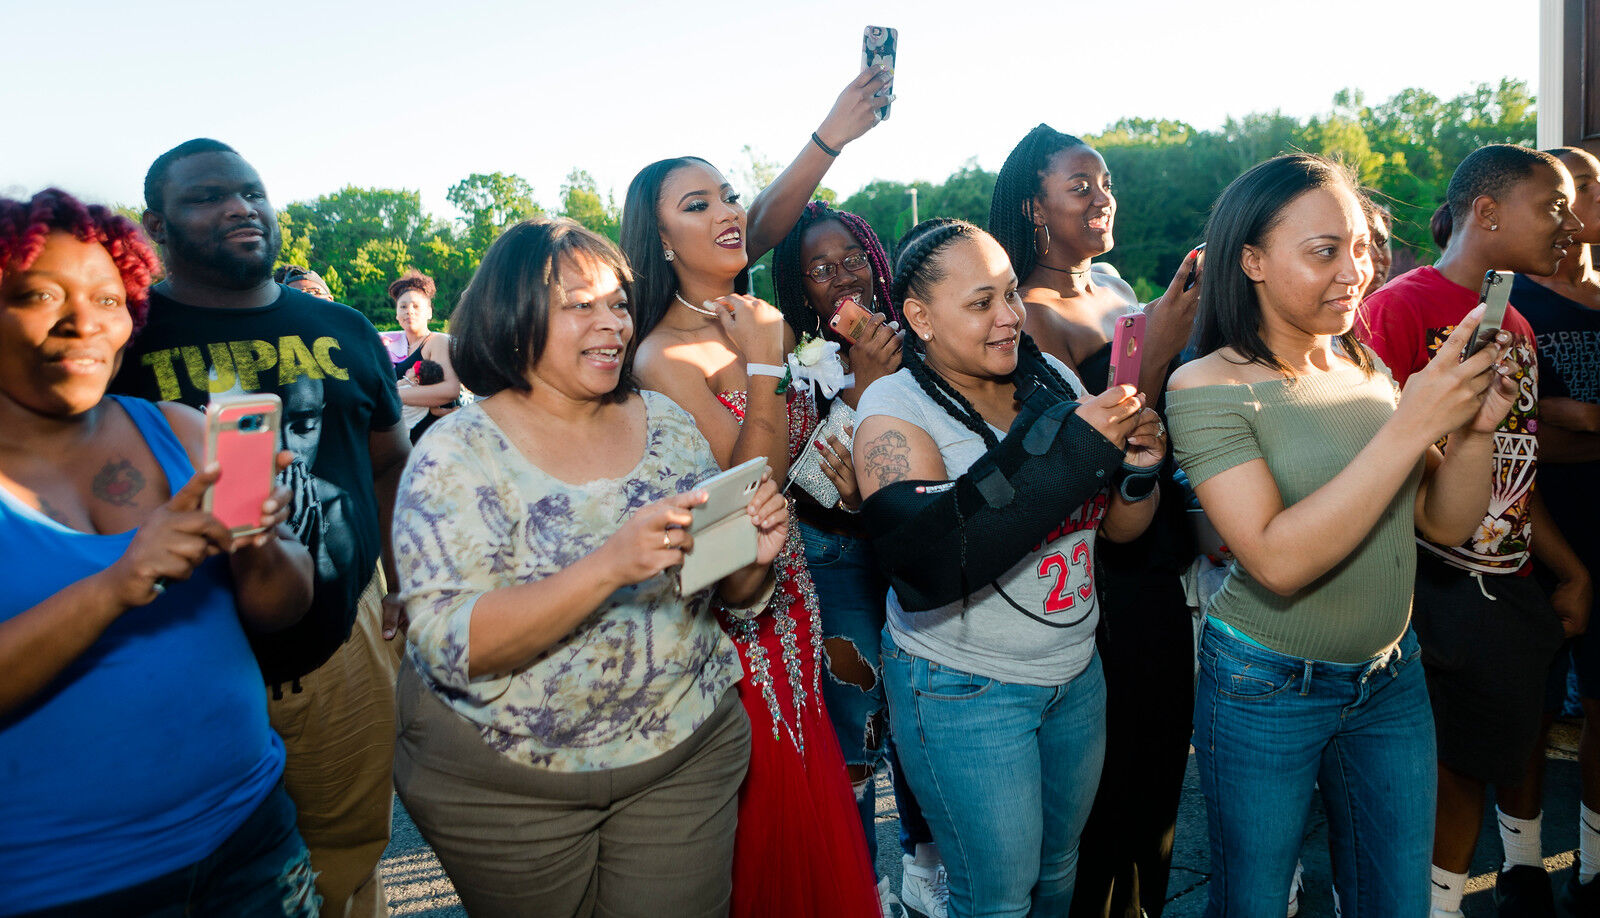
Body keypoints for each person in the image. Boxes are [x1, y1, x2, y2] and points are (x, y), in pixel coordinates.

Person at [390, 218, 788, 917]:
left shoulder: (666, 422)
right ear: (515, 315)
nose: (613, 324)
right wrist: (608, 566)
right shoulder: (457, 451)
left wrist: (751, 559)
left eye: (619, 304)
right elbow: (453, 643)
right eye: (581, 305)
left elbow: (729, 590)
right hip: (508, 789)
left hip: (682, 755)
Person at [1166, 152, 1519, 915]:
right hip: (1266, 685)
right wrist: (1412, 424)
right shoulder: (1206, 384)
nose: (1354, 271)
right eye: (1325, 251)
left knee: (1395, 901)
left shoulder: (1364, 366)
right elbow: (1276, 560)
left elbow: (1445, 521)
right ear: (1252, 261)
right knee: (1255, 901)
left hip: (1390, 676)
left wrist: (1477, 429)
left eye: (1360, 247)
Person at [111, 138, 411, 918]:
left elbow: (388, 462)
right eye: (208, 196)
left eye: (251, 192)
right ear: (156, 225)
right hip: (179, 654)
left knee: (348, 860)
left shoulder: (342, 327)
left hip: (340, 646)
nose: (240, 208)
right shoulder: (121, 338)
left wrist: (402, 585)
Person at [619, 64, 891, 918]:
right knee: (771, 830)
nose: (728, 211)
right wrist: (769, 368)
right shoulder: (664, 356)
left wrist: (834, 133)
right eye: (696, 205)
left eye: (729, 195)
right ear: (661, 241)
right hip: (744, 621)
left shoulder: (745, 315)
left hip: (801, 597)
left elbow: (772, 214)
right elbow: (748, 499)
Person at [0, 188, 318, 915]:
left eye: (109, 300)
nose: (84, 323)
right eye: (41, 294)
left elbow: (282, 609)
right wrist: (115, 584)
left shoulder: (180, 431)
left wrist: (256, 546)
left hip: (252, 844)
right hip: (58, 889)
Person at [855, 218, 1166, 917]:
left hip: (1074, 675)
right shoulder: (895, 410)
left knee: (1057, 875)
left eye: (1011, 294)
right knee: (996, 900)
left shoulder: (1051, 377)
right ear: (920, 318)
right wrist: (1074, 456)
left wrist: (1137, 472)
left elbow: (1117, 530)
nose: (1009, 317)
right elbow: (929, 562)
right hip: (966, 688)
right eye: (980, 303)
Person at [1356, 144, 1589, 918]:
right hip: (1428, 586)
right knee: (1443, 770)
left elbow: (1514, 474)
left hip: (1507, 584)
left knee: (1494, 754)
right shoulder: (1399, 308)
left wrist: (1568, 569)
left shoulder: (1516, 322)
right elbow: (1374, 457)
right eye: (1552, 206)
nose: (1569, 223)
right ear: (1485, 213)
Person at [987, 122, 1202, 918]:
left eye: (1105, 182)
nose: (1102, 196)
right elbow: (1068, 451)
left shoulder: (1113, 285)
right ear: (1034, 208)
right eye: (1079, 186)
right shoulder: (1023, 316)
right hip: (1094, 565)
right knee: (1107, 782)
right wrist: (1158, 348)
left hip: (1157, 545)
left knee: (1161, 761)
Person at [770, 200, 948, 916]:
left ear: (875, 261)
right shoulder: (796, 368)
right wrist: (868, 383)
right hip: (837, 556)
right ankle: (863, 886)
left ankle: (927, 867)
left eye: (851, 258)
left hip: (913, 552)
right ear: (800, 289)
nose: (842, 276)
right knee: (858, 715)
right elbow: (812, 486)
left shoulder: (920, 339)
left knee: (919, 715)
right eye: (820, 269)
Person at [1506, 145, 1600, 912]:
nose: (1584, 205)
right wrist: (1558, 418)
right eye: (1576, 190)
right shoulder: (1509, 301)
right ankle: (1522, 867)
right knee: (1527, 712)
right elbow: (1509, 441)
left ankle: (1595, 865)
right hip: (1532, 529)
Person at [389, 270, 461, 442]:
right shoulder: (391, 346)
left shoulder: (437, 341)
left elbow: (451, 390)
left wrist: (390, 395)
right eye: (403, 307)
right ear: (397, 314)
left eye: (416, 306)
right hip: (401, 442)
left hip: (435, 440)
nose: (409, 311)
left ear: (429, 312)